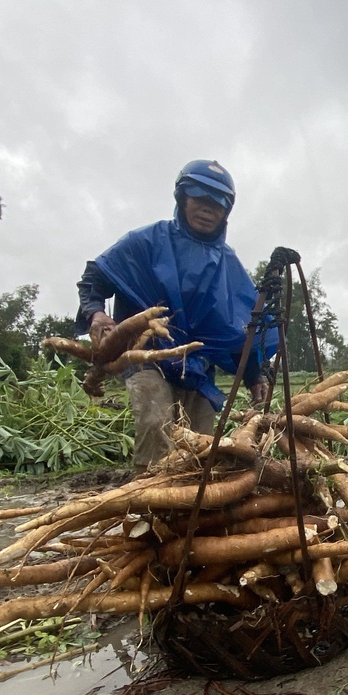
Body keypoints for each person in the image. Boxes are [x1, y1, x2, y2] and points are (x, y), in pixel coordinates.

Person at [75, 159, 279, 471]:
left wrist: (253, 377)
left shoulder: (227, 264)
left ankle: (188, 512)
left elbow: (240, 329)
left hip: (196, 365)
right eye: (200, 198)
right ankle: (149, 504)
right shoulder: (146, 242)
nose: (208, 209)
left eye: (217, 204)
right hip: (145, 356)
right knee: (157, 423)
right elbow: (96, 277)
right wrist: (96, 315)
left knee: (200, 446)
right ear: (182, 198)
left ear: (227, 211)